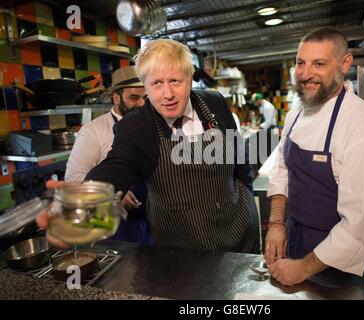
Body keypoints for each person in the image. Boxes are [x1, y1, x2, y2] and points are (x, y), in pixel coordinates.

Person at [39, 39, 260, 254]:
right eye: (157, 83)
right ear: (145, 85)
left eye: (175, 81)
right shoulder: (136, 126)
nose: (168, 94)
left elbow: (239, 156)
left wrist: (248, 195)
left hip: (240, 227)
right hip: (184, 245)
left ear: (190, 78)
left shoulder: (214, 102)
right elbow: (117, 166)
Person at [264, 27, 364, 286]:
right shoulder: (295, 114)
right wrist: (277, 223)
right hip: (294, 242)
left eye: (319, 64)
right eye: (300, 63)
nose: (305, 74)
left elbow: (359, 227)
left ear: (345, 63)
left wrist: (303, 268)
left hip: (339, 263)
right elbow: (282, 168)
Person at [64, 65, 153, 245]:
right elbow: (72, 180)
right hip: (115, 227)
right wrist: (115, 194)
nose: (142, 104)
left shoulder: (151, 125)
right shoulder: (93, 131)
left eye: (145, 98)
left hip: (150, 219)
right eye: (134, 98)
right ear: (116, 98)